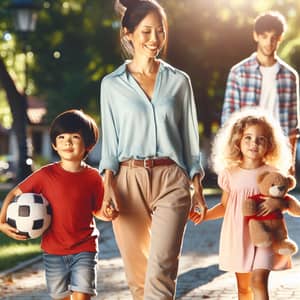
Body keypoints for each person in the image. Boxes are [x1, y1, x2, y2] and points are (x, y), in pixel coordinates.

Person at [99, 0, 207, 299]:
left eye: (160, 31)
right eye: (146, 31)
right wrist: (108, 186)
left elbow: (190, 141)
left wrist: (197, 186)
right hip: (127, 182)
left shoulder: (179, 82)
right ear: (127, 34)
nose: (155, 40)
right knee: (137, 278)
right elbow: (110, 145)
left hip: (172, 180)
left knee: (160, 271)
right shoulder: (111, 86)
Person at [191, 108, 295, 299]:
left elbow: (285, 200)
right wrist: (205, 215)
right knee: (244, 289)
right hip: (239, 236)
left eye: (260, 139)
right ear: (238, 140)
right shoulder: (230, 174)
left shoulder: (273, 173)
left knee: (258, 281)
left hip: (266, 236)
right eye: (248, 137)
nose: (253, 143)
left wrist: (275, 204)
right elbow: (225, 206)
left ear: (269, 144)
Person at [0, 109, 105, 300]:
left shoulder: (93, 177)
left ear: (88, 144)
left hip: (85, 247)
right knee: (60, 297)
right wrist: (1, 222)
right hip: (53, 251)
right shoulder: (45, 175)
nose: (67, 141)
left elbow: (97, 210)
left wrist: (109, 213)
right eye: (61, 137)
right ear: (54, 144)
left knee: (83, 295)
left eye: (75, 136)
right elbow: (15, 193)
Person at [221, 11, 299, 173]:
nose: (269, 42)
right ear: (256, 36)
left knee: (275, 199)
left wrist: (290, 163)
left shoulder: (290, 76)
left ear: (280, 38)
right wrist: (231, 160)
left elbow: (293, 127)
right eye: (264, 36)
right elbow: (229, 121)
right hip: (247, 155)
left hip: (276, 156)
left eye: (273, 37)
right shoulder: (239, 72)